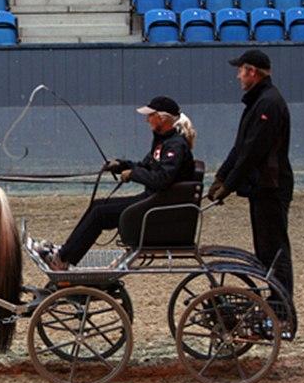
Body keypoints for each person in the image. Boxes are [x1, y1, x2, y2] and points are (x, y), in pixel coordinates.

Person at [37, 96, 197, 271]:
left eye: (150, 115)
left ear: (162, 118)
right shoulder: (164, 142)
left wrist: (134, 174)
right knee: (98, 205)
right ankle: (65, 252)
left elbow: (161, 179)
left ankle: (62, 259)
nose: (146, 119)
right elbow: (146, 167)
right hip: (154, 201)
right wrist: (122, 166)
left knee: (100, 213)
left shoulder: (175, 146)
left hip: (159, 207)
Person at [207, 49, 294, 305]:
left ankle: (280, 308)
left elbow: (253, 152)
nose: (238, 76)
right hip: (262, 187)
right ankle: (275, 304)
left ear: (252, 72)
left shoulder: (268, 104)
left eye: (241, 70)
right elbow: (241, 148)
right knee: (266, 251)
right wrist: (221, 177)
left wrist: (229, 185)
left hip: (271, 186)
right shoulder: (258, 102)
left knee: (275, 251)